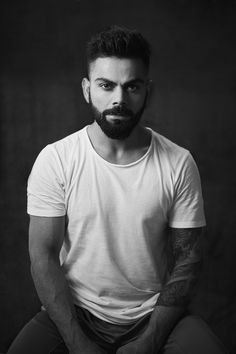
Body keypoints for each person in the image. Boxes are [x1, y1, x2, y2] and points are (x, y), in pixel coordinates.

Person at [7, 25, 227, 354]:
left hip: (154, 313)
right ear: (87, 89)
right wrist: (77, 342)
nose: (119, 99)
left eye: (132, 86)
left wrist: (151, 339)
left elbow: (188, 259)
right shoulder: (56, 159)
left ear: (147, 91)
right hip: (74, 312)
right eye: (106, 85)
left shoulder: (178, 162)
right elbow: (43, 255)